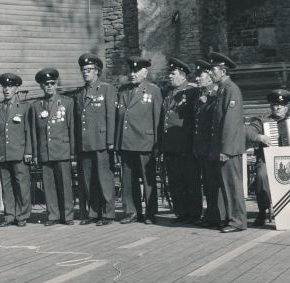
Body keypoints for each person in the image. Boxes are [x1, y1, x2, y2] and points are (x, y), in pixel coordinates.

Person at [115, 56, 162, 224]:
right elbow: (118, 118)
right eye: (131, 71)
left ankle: (150, 213)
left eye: (136, 71)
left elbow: (157, 118)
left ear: (145, 72)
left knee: (148, 180)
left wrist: (158, 144)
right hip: (126, 142)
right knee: (128, 180)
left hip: (145, 142)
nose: (132, 74)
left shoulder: (153, 90)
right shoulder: (123, 91)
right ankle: (131, 211)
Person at [245, 89, 290, 226]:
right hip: (267, 160)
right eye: (275, 105)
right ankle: (263, 211)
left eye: (281, 105)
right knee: (261, 175)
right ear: (270, 106)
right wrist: (259, 137)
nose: (278, 107)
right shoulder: (263, 121)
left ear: (287, 107)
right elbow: (247, 131)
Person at [73, 54, 117, 226]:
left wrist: (110, 140)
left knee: (104, 179)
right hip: (85, 143)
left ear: (97, 71)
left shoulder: (107, 89)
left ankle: (108, 214)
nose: (85, 73)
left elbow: (110, 116)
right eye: (83, 70)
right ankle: (93, 212)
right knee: (88, 180)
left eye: (89, 70)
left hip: (101, 141)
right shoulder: (80, 92)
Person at [29, 68, 76, 225]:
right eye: (45, 84)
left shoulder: (67, 103)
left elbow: (72, 128)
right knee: (49, 186)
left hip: (62, 150)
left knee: (65, 185)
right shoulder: (36, 106)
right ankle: (53, 215)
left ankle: (67, 215)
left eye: (52, 83)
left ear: (56, 84)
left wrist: (72, 152)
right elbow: (35, 132)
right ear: (41, 86)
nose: (49, 86)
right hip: (45, 151)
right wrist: (36, 153)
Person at [209, 51, 247, 233]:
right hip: (223, 148)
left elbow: (230, 123)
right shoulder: (223, 90)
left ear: (223, 71)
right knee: (226, 185)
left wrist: (225, 149)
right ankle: (230, 218)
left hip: (229, 149)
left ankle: (237, 220)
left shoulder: (231, 90)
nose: (210, 73)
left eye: (213, 70)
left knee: (232, 185)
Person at [160, 58, 200, 224]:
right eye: (169, 73)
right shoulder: (168, 93)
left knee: (190, 182)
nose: (170, 76)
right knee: (175, 182)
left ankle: (194, 214)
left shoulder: (191, 92)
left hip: (186, 146)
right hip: (170, 146)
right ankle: (181, 213)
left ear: (183, 76)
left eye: (173, 73)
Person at [0, 72, 32, 227]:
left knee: (22, 185)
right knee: (6, 186)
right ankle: (9, 215)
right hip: (3, 154)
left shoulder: (25, 107)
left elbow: (29, 131)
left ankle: (22, 215)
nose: (6, 89)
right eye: (4, 87)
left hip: (19, 153)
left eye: (10, 86)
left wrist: (29, 151)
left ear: (16, 88)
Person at [192, 59, 220, 228]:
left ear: (209, 76)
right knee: (207, 183)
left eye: (200, 75)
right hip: (201, 148)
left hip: (211, 148)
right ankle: (210, 214)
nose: (197, 79)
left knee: (212, 183)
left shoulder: (215, 94)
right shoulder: (200, 94)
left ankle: (215, 215)